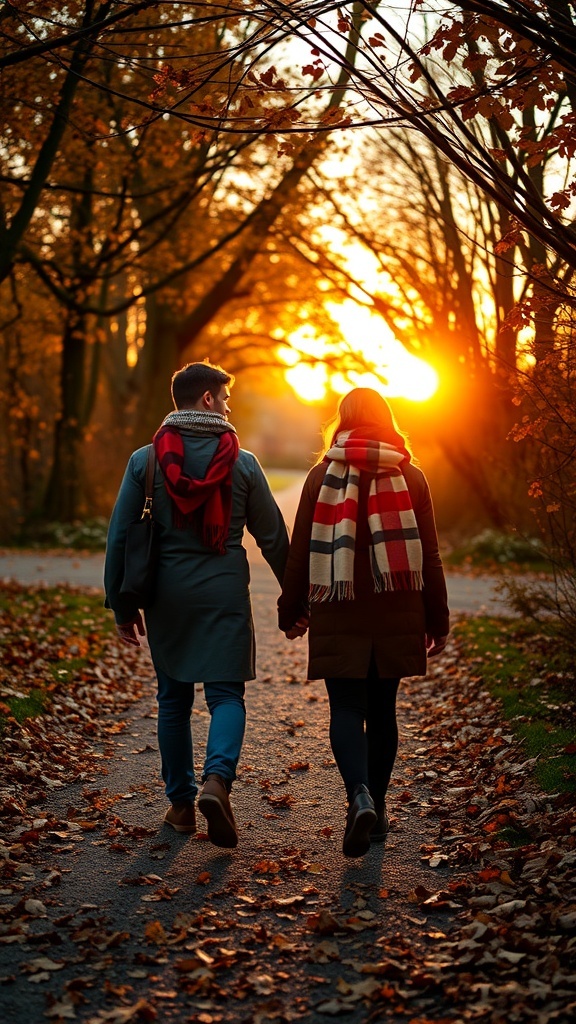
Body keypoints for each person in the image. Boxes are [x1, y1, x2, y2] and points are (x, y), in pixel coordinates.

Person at [105, 361, 289, 848]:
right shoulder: (243, 463)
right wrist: (297, 596)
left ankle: (182, 806)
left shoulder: (146, 461)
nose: (228, 406)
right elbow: (273, 537)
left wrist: (121, 605)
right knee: (226, 696)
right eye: (224, 398)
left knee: (173, 699)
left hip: (168, 596)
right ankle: (217, 782)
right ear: (207, 399)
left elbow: (121, 537)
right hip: (224, 591)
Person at [278, 388, 449, 858]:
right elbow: (429, 555)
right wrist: (438, 618)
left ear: (343, 421)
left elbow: (299, 553)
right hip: (397, 608)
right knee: (384, 710)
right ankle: (379, 809)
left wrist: (289, 610)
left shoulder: (321, 475)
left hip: (340, 608)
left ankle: (359, 797)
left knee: (347, 709)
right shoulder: (411, 476)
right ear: (386, 419)